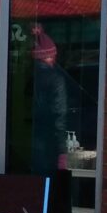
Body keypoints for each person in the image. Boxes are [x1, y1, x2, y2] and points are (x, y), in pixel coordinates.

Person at [29, 24, 68, 177]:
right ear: (49, 56)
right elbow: (59, 115)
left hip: (30, 140)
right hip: (48, 143)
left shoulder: (26, 76)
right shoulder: (56, 80)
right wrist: (62, 150)